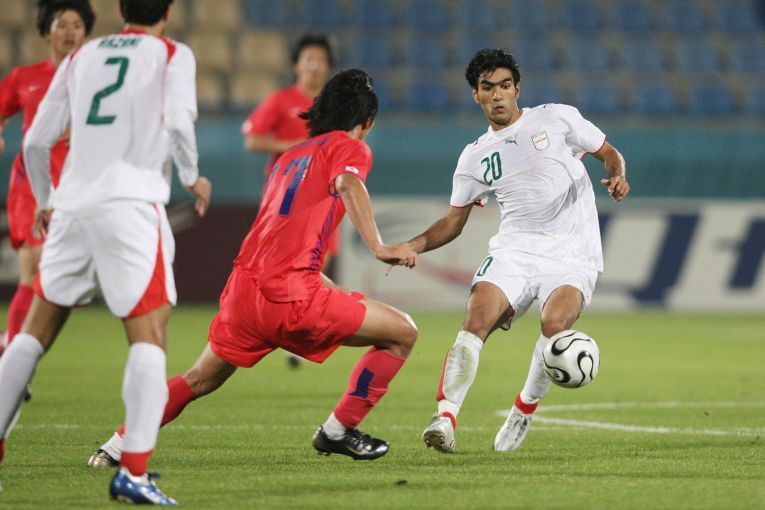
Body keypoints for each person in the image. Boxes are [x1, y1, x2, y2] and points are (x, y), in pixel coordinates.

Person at [86, 69, 418, 469]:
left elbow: (280, 237)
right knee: (402, 333)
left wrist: (325, 284)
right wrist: (379, 246)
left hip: (244, 293)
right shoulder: (351, 148)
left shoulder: (288, 158)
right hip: (291, 299)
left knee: (198, 379)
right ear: (367, 121)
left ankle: (115, 446)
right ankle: (338, 430)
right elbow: (350, 184)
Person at [0, 0, 212, 504]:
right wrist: (191, 176)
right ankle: (133, 472)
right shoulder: (171, 53)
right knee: (149, 336)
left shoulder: (83, 56)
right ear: (169, 9)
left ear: (119, 8)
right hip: (131, 205)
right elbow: (179, 123)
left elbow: (35, 142)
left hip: (72, 206)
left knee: (31, 336)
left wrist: (46, 201)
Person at [408, 49, 629, 453]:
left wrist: (617, 176)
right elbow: (453, 223)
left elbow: (609, 153)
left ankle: (524, 408)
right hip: (514, 250)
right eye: (488, 87)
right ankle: (445, 418)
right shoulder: (474, 157)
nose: (498, 95)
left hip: (571, 251)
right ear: (476, 94)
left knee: (555, 325)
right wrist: (413, 245)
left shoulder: (557, 118)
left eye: (505, 86)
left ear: (517, 89)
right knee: (476, 320)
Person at [0, 0, 94, 367]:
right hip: (32, 184)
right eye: (61, 24)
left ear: (86, 33)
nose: (69, 31)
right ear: (45, 32)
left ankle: (11, 347)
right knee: (35, 265)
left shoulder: (96, 79)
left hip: (76, 185)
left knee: (56, 279)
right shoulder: (24, 78)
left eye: (77, 25)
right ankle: (12, 364)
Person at [242, 33, 337, 368]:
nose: (314, 65)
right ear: (297, 64)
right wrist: (292, 147)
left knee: (319, 259)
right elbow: (252, 140)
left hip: (323, 194)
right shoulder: (281, 100)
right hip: (285, 195)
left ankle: (296, 325)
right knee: (283, 261)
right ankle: (274, 323)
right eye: (309, 59)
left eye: (321, 60)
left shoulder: (333, 104)